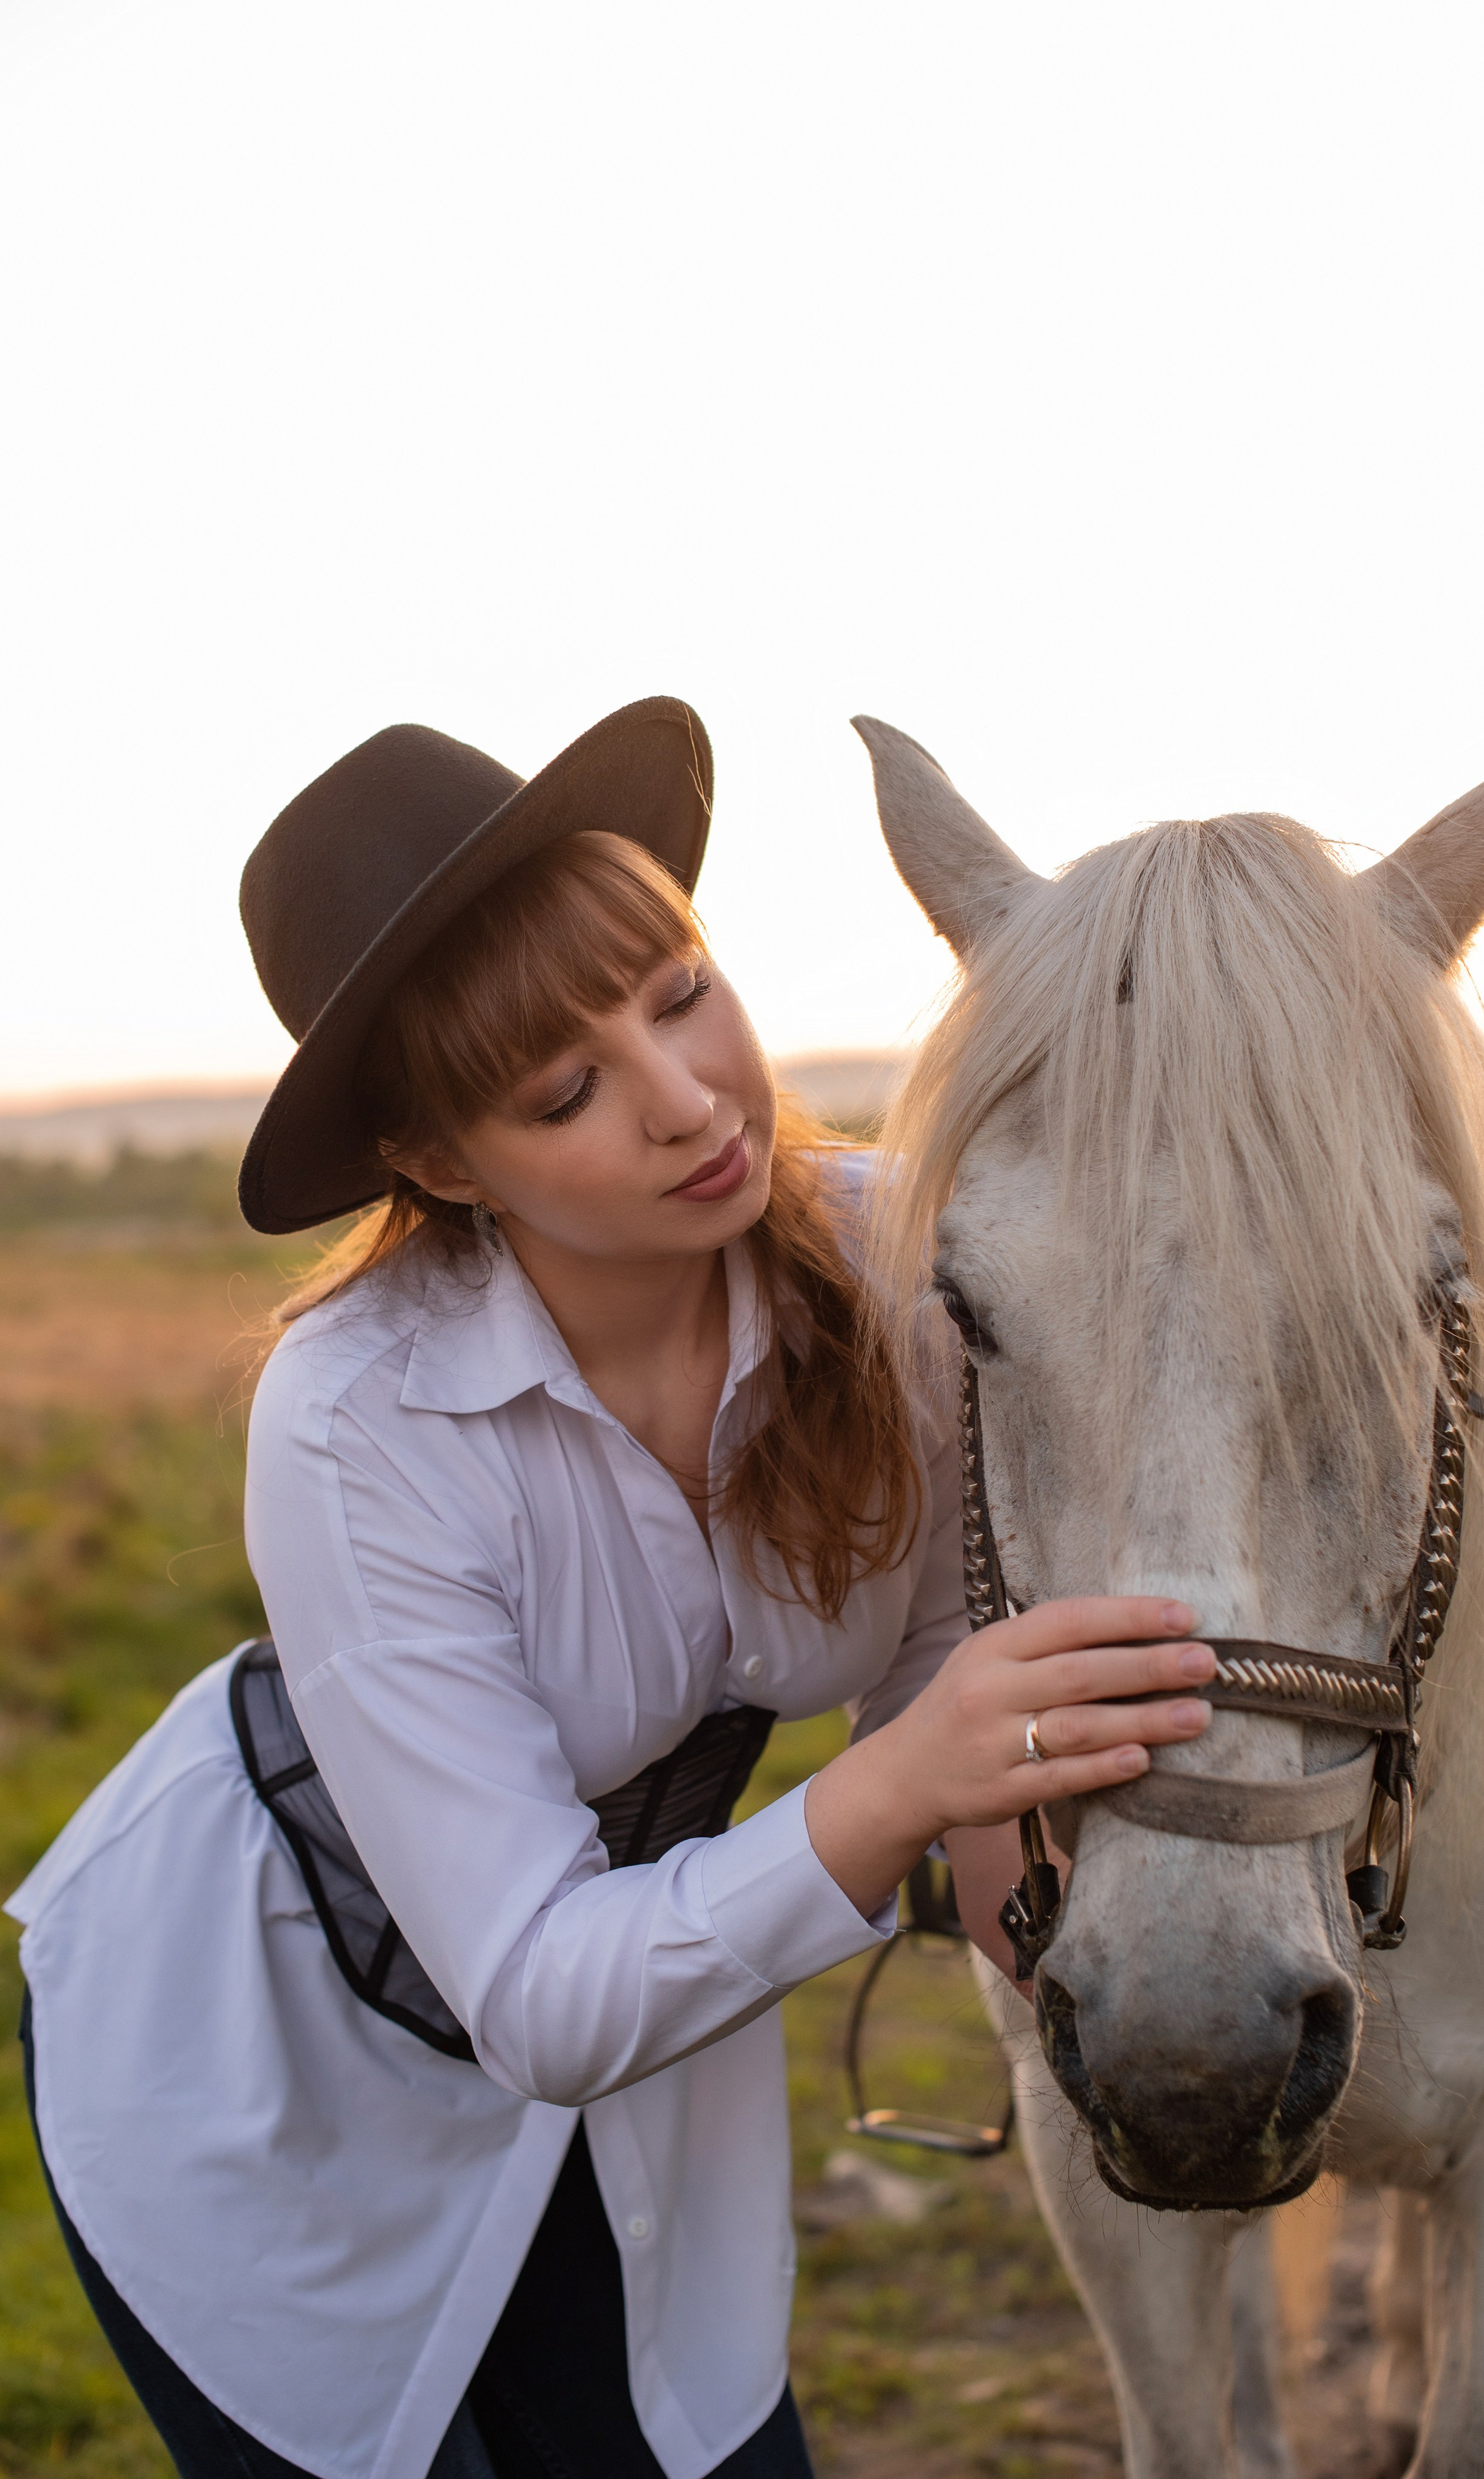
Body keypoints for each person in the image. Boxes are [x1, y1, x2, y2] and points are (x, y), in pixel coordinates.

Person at [7, 697, 1215, 2479]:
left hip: (641, 2031)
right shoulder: (354, 1413)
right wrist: (899, 1785)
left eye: (680, 992)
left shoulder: (911, 1265)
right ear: (438, 1162)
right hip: (256, 2059)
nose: (687, 1102)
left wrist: (1154, 1995)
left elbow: (950, 1697)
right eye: (564, 1092)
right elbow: (541, 1990)